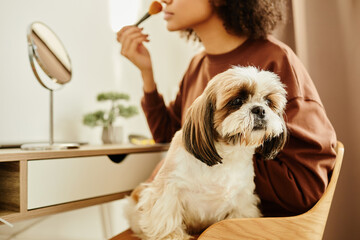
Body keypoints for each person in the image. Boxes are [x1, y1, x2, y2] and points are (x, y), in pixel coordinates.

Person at [117, 0, 337, 217]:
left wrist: (213, 162)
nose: (163, 1)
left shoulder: (277, 60)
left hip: (250, 225)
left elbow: (305, 188)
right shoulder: (197, 65)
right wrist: (147, 74)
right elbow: (169, 136)